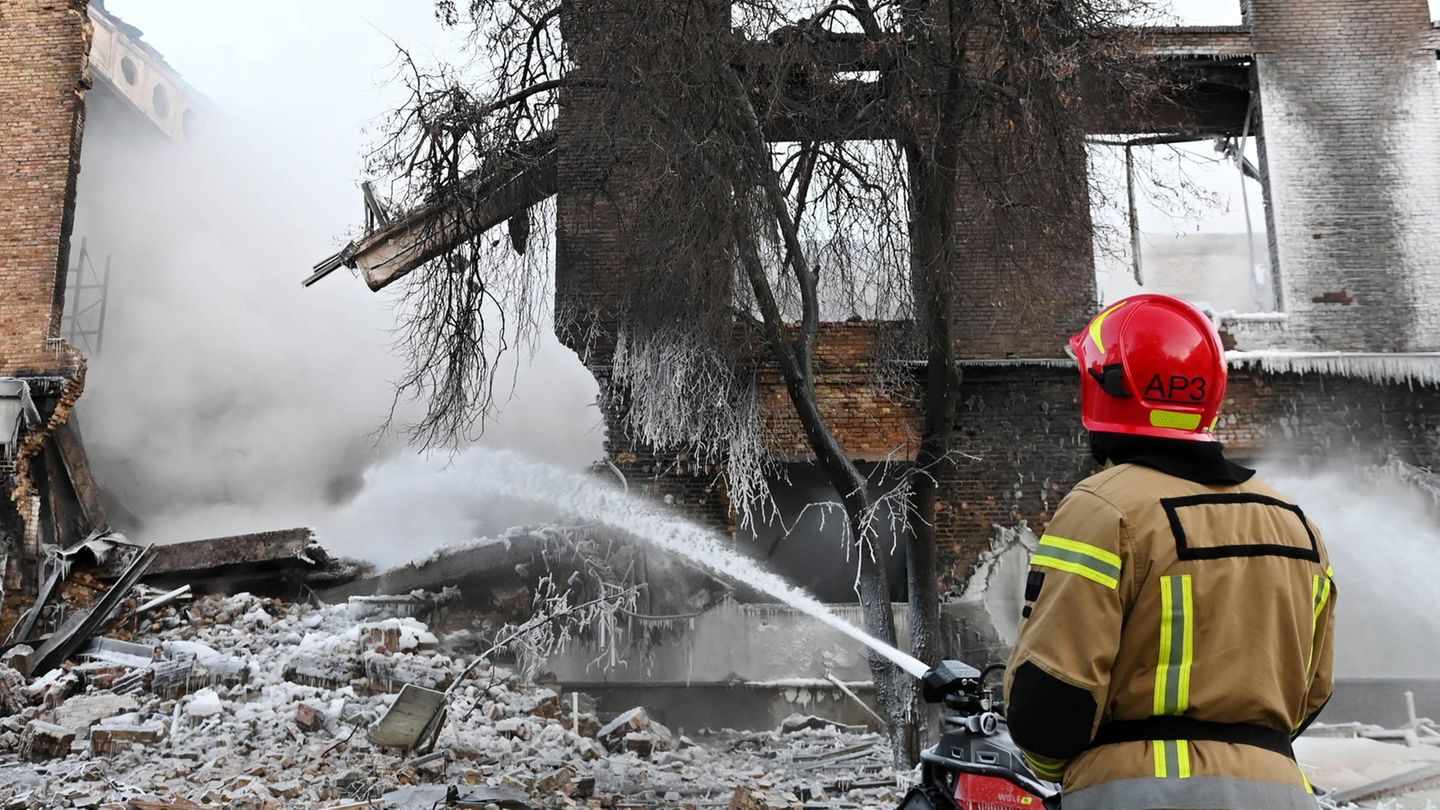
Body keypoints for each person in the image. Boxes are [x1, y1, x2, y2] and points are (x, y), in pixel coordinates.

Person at [1003, 293, 1335, 810]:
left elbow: (1052, 702)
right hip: (1281, 792)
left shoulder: (1103, 509)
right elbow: (1314, 692)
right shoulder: (1297, 525)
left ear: (1105, 387)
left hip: (1139, 795)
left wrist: (1069, 771)